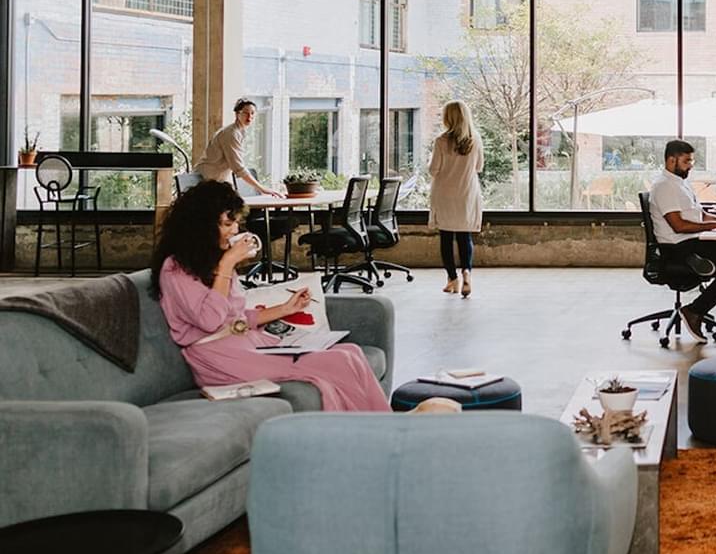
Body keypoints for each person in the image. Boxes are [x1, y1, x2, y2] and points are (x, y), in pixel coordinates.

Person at [151, 180, 390, 412]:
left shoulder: (212, 260)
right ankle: (383, 436)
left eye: (236, 222)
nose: (235, 230)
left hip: (247, 342)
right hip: (217, 356)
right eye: (227, 224)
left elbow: (235, 315)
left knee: (351, 352)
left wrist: (286, 308)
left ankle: (384, 431)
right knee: (339, 362)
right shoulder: (175, 269)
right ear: (200, 227)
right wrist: (227, 265)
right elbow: (210, 321)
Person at [648, 139, 716, 341]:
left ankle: (699, 298)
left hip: (692, 239)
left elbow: (701, 215)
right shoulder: (664, 187)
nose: (690, 166)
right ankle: (694, 310)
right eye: (687, 161)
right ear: (671, 161)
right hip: (678, 246)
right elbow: (679, 226)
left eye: (692, 161)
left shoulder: (680, 184)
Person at [428, 100, 485, 298]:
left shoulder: (441, 141)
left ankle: (452, 280)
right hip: (467, 193)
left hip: (445, 194)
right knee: (464, 236)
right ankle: (467, 272)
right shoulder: (475, 139)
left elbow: (433, 170)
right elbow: (479, 167)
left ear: (447, 118)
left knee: (446, 237)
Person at [195, 98, 281, 197]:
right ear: (237, 114)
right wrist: (261, 188)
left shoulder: (239, 132)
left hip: (215, 182)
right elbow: (237, 167)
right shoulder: (231, 133)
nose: (250, 117)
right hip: (206, 182)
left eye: (252, 113)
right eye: (245, 113)